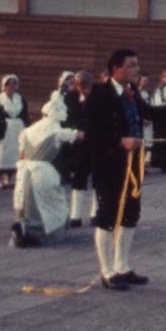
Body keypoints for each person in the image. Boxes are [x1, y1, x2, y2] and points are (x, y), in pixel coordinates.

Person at [86, 48, 166, 290]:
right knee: (108, 214)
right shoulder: (99, 94)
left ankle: (122, 266)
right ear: (116, 68)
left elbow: (147, 112)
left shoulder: (132, 90)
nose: (137, 69)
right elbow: (92, 133)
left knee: (130, 213)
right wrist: (119, 141)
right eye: (132, 65)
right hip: (109, 163)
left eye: (137, 64)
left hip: (133, 162)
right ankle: (107, 271)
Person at [11, 94, 85, 247]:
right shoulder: (57, 131)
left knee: (27, 202)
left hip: (24, 170)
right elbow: (79, 135)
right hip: (43, 170)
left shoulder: (27, 131)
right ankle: (42, 234)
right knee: (51, 203)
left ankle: (25, 227)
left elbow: (22, 155)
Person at [63, 71, 95, 226]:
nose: (84, 89)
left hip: (97, 142)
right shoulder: (69, 98)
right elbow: (66, 120)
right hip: (80, 143)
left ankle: (95, 213)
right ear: (75, 85)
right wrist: (76, 132)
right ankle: (75, 215)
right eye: (80, 86)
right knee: (79, 177)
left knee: (98, 177)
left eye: (87, 86)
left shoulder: (99, 97)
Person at [0, 74, 29, 189]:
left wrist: (26, 127)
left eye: (13, 83)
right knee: (1, 153)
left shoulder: (20, 98)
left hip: (17, 128)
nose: (11, 86)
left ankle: (8, 179)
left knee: (15, 153)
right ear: (4, 85)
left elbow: (25, 114)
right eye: (9, 83)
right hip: (3, 128)